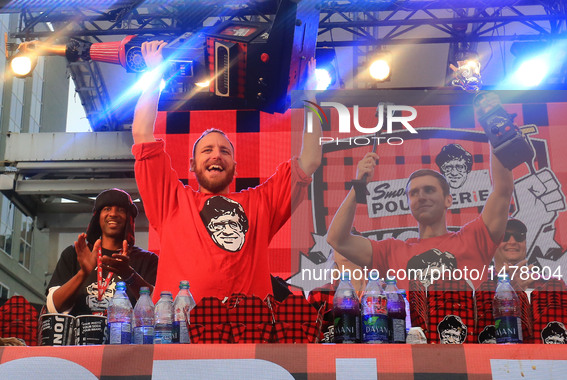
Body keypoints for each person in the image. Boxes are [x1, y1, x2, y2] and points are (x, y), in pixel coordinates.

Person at [131, 41, 322, 301]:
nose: (216, 155)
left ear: (235, 167)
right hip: (178, 333)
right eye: (207, 150)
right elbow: (142, 133)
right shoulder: (172, 201)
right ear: (192, 165)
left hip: (248, 333)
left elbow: (310, 159)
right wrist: (155, 73)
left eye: (225, 151)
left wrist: (311, 96)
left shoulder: (260, 203)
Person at [327, 140, 514, 290]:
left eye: (429, 190)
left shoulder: (474, 239)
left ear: (448, 200)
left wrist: (495, 132)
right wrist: (358, 185)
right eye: (413, 193)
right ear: (408, 203)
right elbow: (337, 239)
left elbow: (502, 190)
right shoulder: (391, 251)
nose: (421, 197)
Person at [46, 188, 158, 315]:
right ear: (97, 217)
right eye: (107, 209)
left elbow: (158, 307)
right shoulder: (74, 254)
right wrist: (82, 274)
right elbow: (54, 307)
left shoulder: (147, 260)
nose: (113, 214)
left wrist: (129, 275)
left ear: (129, 218)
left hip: (125, 334)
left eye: (121, 209)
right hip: (79, 333)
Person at [492, 218, 538, 290]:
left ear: (525, 244)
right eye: (504, 236)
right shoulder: (478, 281)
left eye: (518, 236)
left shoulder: (547, 284)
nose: (512, 242)